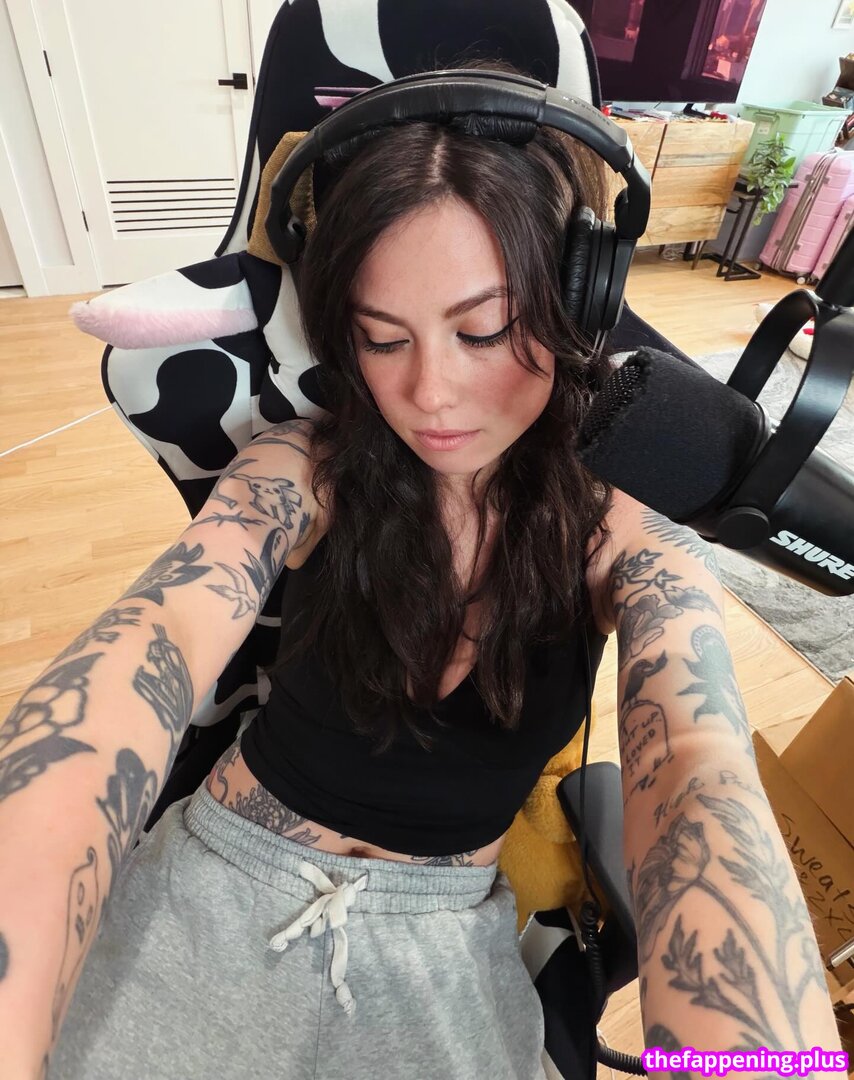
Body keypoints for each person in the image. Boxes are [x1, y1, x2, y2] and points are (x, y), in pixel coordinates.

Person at [1, 70, 843, 1080]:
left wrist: (753, 1053)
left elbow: (697, 759)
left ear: (574, 298)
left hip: (444, 944)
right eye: (380, 338)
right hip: (210, 884)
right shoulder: (305, 466)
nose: (429, 393)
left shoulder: (618, 522)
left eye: (482, 331)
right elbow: (161, 632)